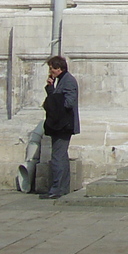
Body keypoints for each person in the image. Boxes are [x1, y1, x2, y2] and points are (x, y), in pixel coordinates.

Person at [42, 56, 80, 199]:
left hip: (63, 125)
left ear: (59, 68)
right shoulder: (61, 81)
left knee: (57, 157)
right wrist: (50, 88)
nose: (50, 71)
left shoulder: (68, 81)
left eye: (52, 68)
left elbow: (68, 102)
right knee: (62, 156)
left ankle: (57, 189)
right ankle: (62, 188)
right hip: (59, 125)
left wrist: (53, 95)